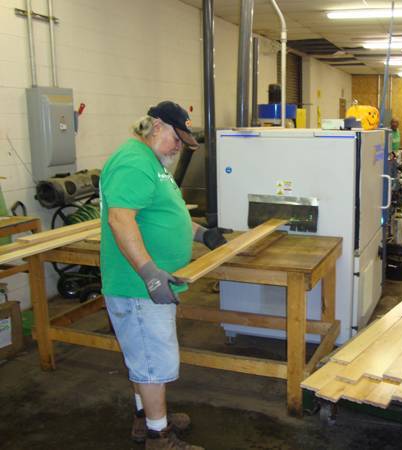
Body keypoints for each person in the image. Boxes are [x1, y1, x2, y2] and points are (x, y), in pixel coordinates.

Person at [100, 101, 226, 450]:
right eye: (176, 139)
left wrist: (202, 234)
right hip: (137, 286)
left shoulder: (152, 162)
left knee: (143, 355)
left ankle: (145, 419)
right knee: (153, 360)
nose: (178, 148)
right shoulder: (133, 162)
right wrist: (150, 273)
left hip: (146, 284)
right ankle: (159, 437)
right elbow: (120, 220)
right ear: (156, 126)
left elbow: (164, 213)